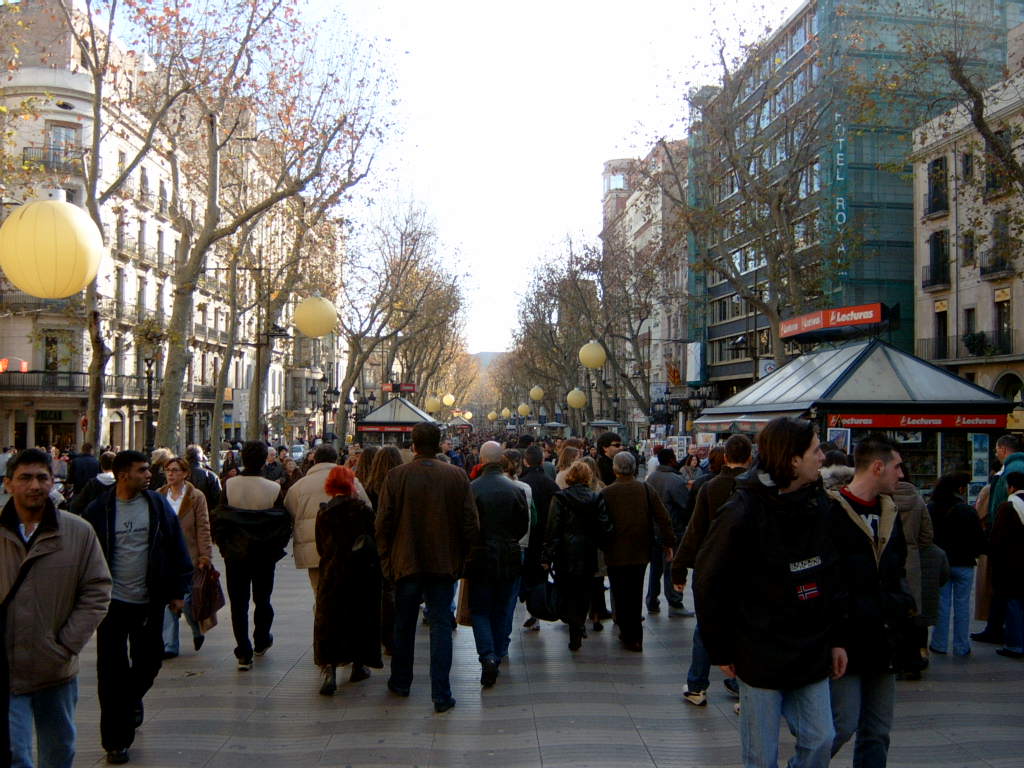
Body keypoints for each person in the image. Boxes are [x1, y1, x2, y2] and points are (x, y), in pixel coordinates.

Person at [695, 417, 845, 768]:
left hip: (811, 646)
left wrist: (838, 638)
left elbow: (834, 576)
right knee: (761, 756)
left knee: (821, 739)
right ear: (793, 459)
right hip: (759, 648)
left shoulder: (821, 505)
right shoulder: (742, 510)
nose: (822, 457)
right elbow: (709, 579)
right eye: (815, 450)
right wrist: (720, 647)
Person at [2, 448, 112, 768]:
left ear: (53, 482)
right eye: (25, 478)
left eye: (42, 477)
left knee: (59, 752)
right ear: (8, 483)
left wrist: (66, 644)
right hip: (7, 667)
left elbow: (97, 589)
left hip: (55, 667)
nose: (34, 485)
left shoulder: (78, 531)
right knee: (15, 754)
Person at [82, 450, 192, 765]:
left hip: (149, 599)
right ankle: (115, 741)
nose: (149, 474)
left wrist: (178, 591)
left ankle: (130, 700)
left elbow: (176, 546)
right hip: (111, 604)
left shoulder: (156, 505)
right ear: (122, 475)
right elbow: (84, 554)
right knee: (110, 673)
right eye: (142, 470)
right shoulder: (98, 509)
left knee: (150, 662)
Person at [376, 422, 479, 713]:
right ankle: (441, 693)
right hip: (443, 563)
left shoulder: (396, 476)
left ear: (413, 445)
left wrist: (386, 561)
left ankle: (401, 681)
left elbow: (382, 524)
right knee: (441, 625)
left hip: (406, 562)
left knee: (404, 624)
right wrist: (464, 559)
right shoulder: (456, 476)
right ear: (439, 443)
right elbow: (471, 524)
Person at [827, 433, 915, 767]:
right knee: (841, 725)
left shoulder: (890, 511)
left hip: (884, 635)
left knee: (878, 731)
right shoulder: (832, 511)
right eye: (897, 467)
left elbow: (898, 568)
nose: (901, 474)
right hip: (847, 637)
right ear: (878, 467)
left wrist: (903, 604)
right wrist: (835, 636)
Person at [673, 433, 753, 706]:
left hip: (712, 567)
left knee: (706, 625)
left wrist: (679, 569)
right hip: (745, 569)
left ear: (726, 457)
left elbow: (694, 531)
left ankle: (697, 685)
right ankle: (743, 688)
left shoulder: (710, 487)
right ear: (749, 457)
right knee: (744, 627)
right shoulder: (757, 487)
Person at [215, 441, 292, 671]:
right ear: (264, 460)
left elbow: (219, 518)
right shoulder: (273, 489)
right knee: (263, 599)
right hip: (264, 554)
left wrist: (224, 547)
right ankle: (261, 639)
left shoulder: (229, 485)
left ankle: (243, 651)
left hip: (235, 554)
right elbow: (283, 523)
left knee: (238, 604)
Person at [314, 465, 383, 694]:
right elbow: (374, 539)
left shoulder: (324, 512)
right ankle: (358, 665)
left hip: (332, 573)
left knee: (330, 619)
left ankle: (330, 671)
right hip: (360, 572)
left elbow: (321, 546)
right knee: (359, 617)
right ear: (351, 484)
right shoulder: (362, 510)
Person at [467, 442, 529, 687]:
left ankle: (487, 655)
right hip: (509, 553)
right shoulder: (515, 489)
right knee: (502, 606)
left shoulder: (472, 488)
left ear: (481, 460)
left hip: (481, 555)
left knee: (480, 609)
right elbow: (522, 525)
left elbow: (467, 525)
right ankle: (500, 649)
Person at [600, 451, 676, 652]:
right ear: (634, 468)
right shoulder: (645, 489)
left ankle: (626, 631)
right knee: (635, 592)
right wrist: (668, 543)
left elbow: (599, 522)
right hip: (640, 550)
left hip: (615, 552)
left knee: (619, 592)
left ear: (615, 469)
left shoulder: (606, 493)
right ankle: (635, 637)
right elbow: (663, 517)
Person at [542, 459, 613, 650]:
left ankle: (574, 627)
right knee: (584, 592)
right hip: (588, 551)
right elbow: (604, 527)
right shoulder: (595, 498)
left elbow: (553, 529)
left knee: (568, 592)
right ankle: (579, 623)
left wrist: (547, 556)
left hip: (565, 553)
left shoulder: (560, 498)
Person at [158, 457, 213, 658]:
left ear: (185, 474)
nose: (170, 474)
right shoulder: (159, 495)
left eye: (175, 470)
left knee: (189, 601)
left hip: (189, 556)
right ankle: (170, 645)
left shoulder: (196, 496)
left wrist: (205, 556)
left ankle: (197, 628)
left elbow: (203, 527)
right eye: (168, 470)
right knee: (167, 601)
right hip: (165, 558)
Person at [928, 472, 986, 658]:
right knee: (962, 606)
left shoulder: (932, 508)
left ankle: (939, 644)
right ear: (959, 489)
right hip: (964, 563)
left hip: (941, 563)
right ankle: (962, 646)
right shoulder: (967, 510)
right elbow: (979, 539)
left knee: (942, 604)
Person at [974, 435, 1024, 644]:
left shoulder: (1011, 471)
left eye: (996, 449)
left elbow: (1000, 506)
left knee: (1005, 588)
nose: (995, 453)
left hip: (1008, 540)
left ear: (1003, 449)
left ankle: (1002, 633)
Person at [644, 447, 691, 616]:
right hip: (672, 529)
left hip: (653, 530)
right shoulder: (676, 480)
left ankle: (652, 600)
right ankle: (675, 602)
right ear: (671, 460)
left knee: (655, 568)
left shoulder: (651, 478)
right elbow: (685, 505)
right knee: (672, 566)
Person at [519, 445, 559, 630]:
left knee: (526, 574)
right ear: (542, 461)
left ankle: (532, 610)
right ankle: (536, 610)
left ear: (525, 462)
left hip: (526, 538)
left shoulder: (522, 483)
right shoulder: (550, 484)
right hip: (545, 539)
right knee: (540, 576)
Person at [989, 471, 1024, 659]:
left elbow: (998, 539)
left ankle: (1015, 644)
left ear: (1010, 487)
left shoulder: (1008, 506)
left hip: (1013, 564)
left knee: (1014, 604)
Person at [68, 451, 117, 517]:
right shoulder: (120, 483)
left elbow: (76, 505)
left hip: (94, 519)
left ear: (101, 465)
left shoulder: (92, 483)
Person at [184, 445, 221, 512]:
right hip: (206, 512)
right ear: (201, 457)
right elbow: (218, 500)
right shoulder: (211, 476)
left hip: (184, 514)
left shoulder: (178, 474)